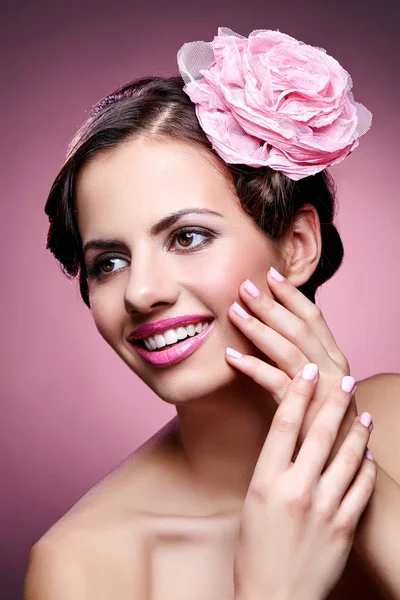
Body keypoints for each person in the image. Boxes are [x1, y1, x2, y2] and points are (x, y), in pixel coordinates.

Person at [24, 27, 400, 600]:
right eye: (109, 261)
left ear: (297, 244)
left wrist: (359, 480)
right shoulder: (81, 568)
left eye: (188, 236)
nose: (141, 292)